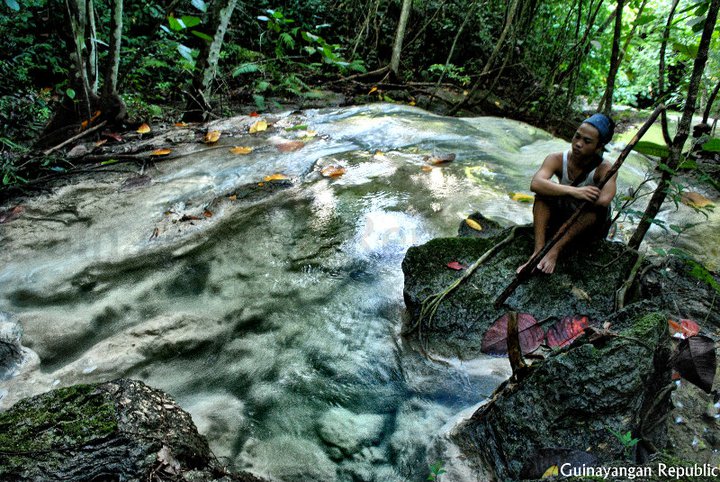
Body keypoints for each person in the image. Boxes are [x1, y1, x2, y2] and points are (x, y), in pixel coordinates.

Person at [517, 113, 617, 274]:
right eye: (577, 136)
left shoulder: (604, 168)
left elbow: (605, 200)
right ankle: (538, 251)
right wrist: (574, 192)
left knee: (594, 211)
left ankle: (553, 251)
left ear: (599, 147)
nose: (578, 144)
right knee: (542, 196)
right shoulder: (556, 159)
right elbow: (536, 183)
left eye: (587, 141)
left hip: (587, 225)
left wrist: (581, 196)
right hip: (564, 214)